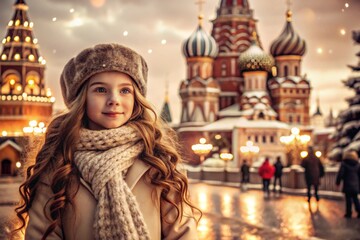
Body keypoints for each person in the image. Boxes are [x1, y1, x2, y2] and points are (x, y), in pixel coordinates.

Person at [13, 43, 199, 239]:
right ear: (81, 99)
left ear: (137, 99)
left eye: (125, 91)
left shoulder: (158, 162)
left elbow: (182, 232)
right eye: (101, 90)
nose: (114, 99)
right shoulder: (59, 165)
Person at [336, 150, 360, 218]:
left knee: (348, 199)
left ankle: (349, 213)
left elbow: (341, 174)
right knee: (355, 199)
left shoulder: (344, 163)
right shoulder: (357, 164)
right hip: (356, 184)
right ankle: (359, 211)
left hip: (347, 184)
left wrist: (338, 182)